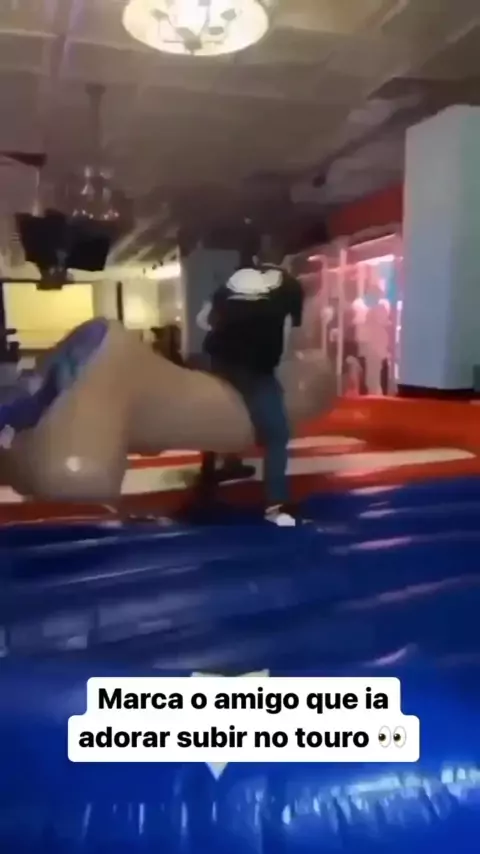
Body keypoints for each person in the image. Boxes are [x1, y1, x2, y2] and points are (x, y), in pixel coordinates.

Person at [198, 254, 305, 526]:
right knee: (277, 433)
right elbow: (289, 332)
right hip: (254, 367)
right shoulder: (291, 286)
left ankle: (213, 471)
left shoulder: (231, 282)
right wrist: (279, 364)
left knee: (216, 411)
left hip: (219, 360)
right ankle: (276, 503)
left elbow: (203, 320)